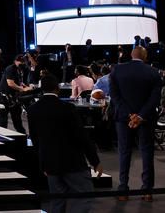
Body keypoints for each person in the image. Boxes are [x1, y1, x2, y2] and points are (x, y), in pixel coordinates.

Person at [27, 74, 102, 213]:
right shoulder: (68, 108)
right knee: (85, 195)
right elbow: (82, 136)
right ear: (58, 88)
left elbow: (35, 140)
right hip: (73, 162)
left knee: (57, 200)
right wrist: (95, 161)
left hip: (50, 163)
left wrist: (43, 163)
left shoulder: (32, 110)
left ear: (42, 89)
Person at [109, 45, 163, 202]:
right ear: (145, 57)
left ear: (131, 55)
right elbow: (155, 98)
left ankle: (123, 190)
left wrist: (129, 114)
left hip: (123, 118)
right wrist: (140, 116)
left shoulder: (117, 70)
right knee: (147, 153)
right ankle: (147, 191)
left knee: (124, 152)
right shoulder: (154, 72)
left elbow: (114, 95)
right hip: (146, 119)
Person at [0, 54, 33, 133]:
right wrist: (23, 89)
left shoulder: (19, 70)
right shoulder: (10, 69)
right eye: (20, 62)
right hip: (3, 97)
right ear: (15, 61)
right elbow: (10, 83)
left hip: (13, 97)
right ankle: (1, 138)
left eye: (23, 62)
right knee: (3, 119)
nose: (22, 63)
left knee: (17, 119)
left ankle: (23, 136)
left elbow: (19, 82)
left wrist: (26, 87)